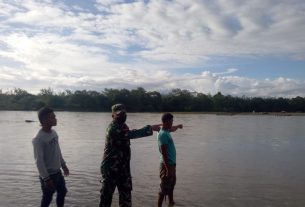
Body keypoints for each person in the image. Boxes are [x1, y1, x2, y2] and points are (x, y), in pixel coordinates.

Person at [99, 103, 161, 207]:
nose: (122, 116)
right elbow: (130, 134)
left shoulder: (124, 126)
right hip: (111, 169)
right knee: (106, 198)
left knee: (126, 198)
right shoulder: (112, 129)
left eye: (123, 114)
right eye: (118, 114)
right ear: (112, 115)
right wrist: (150, 128)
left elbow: (129, 132)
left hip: (124, 169)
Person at [32, 107, 69, 207]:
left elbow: (57, 150)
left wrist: (64, 165)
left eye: (55, 117)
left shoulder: (54, 133)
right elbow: (39, 161)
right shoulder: (38, 139)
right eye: (52, 117)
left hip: (57, 172)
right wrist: (46, 179)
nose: (55, 119)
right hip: (48, 175)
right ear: (44, 120)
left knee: (63, 192)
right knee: (47, 198)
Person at [157, 113, 183, 207]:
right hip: (167, 165)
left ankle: (171, 202)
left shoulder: (166, 130)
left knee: (171, 185)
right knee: (164, 189)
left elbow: (173, 129)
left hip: (171, 164)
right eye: (171, 121)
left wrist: (178, 126)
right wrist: (168, 170)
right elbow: (164, 154)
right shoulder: (163, 134)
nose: (172, 123)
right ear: (166, 121)